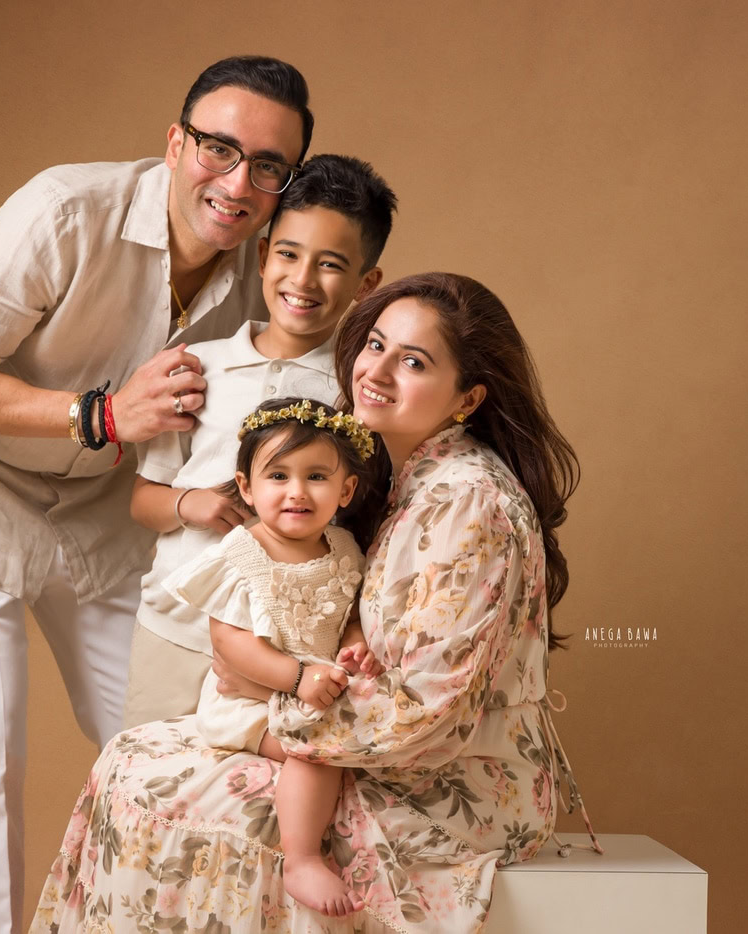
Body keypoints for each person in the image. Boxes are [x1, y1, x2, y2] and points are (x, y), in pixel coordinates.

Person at [0, 56, 312, 933]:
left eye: (269, 167)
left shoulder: (266, 269)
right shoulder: (62, 212)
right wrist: (103, 414)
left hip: (105, 513)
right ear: (175, 143)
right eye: (219, 150)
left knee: (170, 735)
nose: (238, 184)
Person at [29, 273, 602, 934]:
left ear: (467, 397)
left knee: (150, 786)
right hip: (375, 745)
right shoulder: (413, 478)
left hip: (446, 786)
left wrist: (274, 701)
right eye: (376, 345)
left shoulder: (466, 502)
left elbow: (428, 710)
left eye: (414, 362)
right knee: (132, 756)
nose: (376, 372)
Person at [122, 154, 396, 728]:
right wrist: (188, 504)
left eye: (330, 265)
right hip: (175, 627)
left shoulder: (354, 395)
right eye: (289, 254)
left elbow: (357, 528)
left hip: (288, 649)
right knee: (151, 768)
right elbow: (143, 501)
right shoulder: (196, 369)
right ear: (264, 255)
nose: (303, 279)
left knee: (267, 776)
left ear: (365, 285)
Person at [165, 398, 384, 916]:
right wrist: (297, 676)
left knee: (353, 736)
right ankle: (301, 858)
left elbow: (349, 612)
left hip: (317, 689)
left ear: (346, 490)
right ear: (246, 487)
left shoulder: (344, 547)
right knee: (317, 750)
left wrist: (355, 643)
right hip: (251, 702)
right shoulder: (241, 554)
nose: (297, 491)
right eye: (279, 476)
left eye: (316, 477)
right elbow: (230, 642)